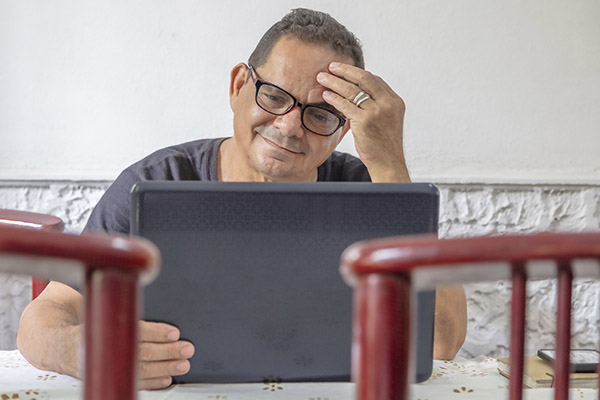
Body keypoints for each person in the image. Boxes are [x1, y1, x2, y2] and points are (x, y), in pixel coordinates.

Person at [17, 8, 467, 390]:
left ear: (344, 129)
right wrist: (84, 351)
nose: (290, 127)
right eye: (274, 96)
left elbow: (442, 340)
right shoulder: (158, 182)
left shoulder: (374, 192)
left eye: (321, 114)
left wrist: (390, 165)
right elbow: (42, 320)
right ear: (238, 86)